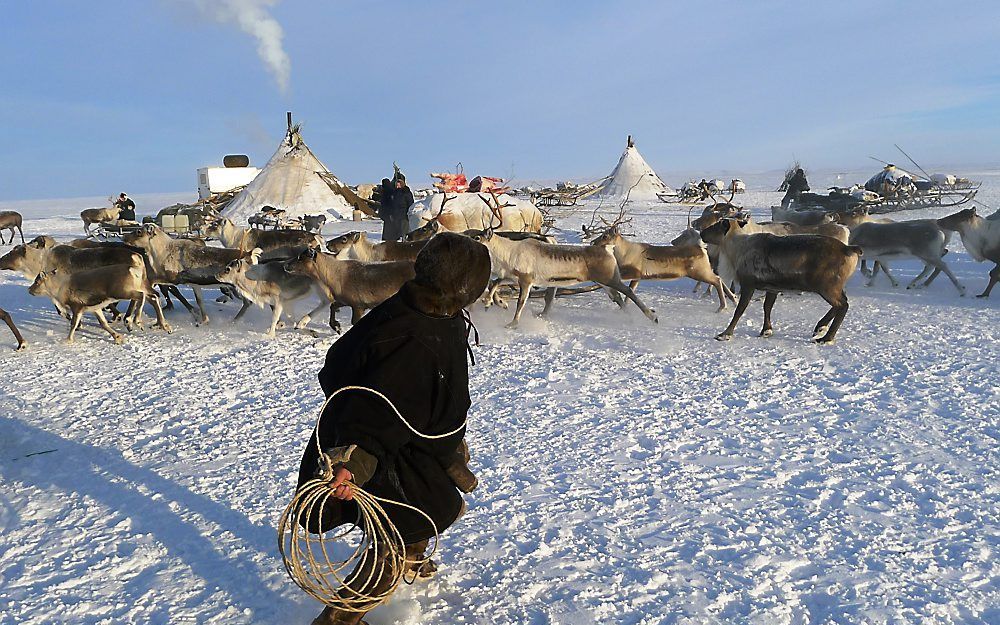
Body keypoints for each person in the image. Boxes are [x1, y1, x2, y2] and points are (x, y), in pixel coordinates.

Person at [296, 232, 490, 625]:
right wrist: (352, 464)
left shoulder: (432, 311)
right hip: (388, 453)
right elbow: (370, 414)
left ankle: (414, 552)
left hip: (419, 442)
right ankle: (338, 619)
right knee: (396, 535)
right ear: (466, 287)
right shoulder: (409, 335)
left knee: (424, 510)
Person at [381, 172, 414, 242]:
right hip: (395, 216)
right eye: (397, 184)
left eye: (399, 184)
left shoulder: (406, 192)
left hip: (404, 216)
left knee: (405, 234)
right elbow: (391, 204)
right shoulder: (394, 193)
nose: (397, 185)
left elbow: (410, 204)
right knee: (394, 236)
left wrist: (409, 214)